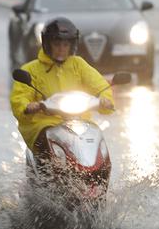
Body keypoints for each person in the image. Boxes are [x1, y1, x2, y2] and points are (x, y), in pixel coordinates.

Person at [10, 17, 114, 157]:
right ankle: (45, 175)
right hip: (45, 122)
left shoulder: (78, 64)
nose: (61, 49)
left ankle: (100, 169)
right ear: (48, 44)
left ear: (72, 46)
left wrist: (105, 99)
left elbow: (99, 84)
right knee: (44, 144)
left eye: (65, 45)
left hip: (80, 119)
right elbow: (20, 97)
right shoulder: (31, 69)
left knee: (96, 139)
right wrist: (28, 106)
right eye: (57, 44)